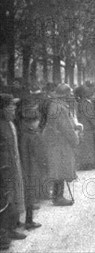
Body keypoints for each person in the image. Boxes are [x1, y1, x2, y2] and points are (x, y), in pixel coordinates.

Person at [41, 84, 79, 206]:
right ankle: (58, 197)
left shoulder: (55, 104)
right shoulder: (60, 107)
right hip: (59, 142)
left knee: (57, 168)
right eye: (70, 93)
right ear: (65, 95)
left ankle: (56, 195)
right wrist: (75, 140)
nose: (72, 95)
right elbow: (66, 128)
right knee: (60, 168)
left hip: (54, 141)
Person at [0, 94, 27, 241]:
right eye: (11, 105)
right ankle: (3, 233)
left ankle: (10, 227)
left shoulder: (10, 123)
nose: (14, 108)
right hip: (4, 168)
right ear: (3, 108)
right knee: (5, 199)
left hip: (13, 165)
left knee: (13, 197)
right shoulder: (1, 125)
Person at [17, 101, 46, 230]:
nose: (38, 124)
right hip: (30, 168)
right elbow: (36, 153)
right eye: (37, 121)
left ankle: (26, 219)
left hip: (28, 167)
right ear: (32, 122)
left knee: (28, 194)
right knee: (29, 194)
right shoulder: (31, 135)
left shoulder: (26, 133)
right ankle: (29, 221)